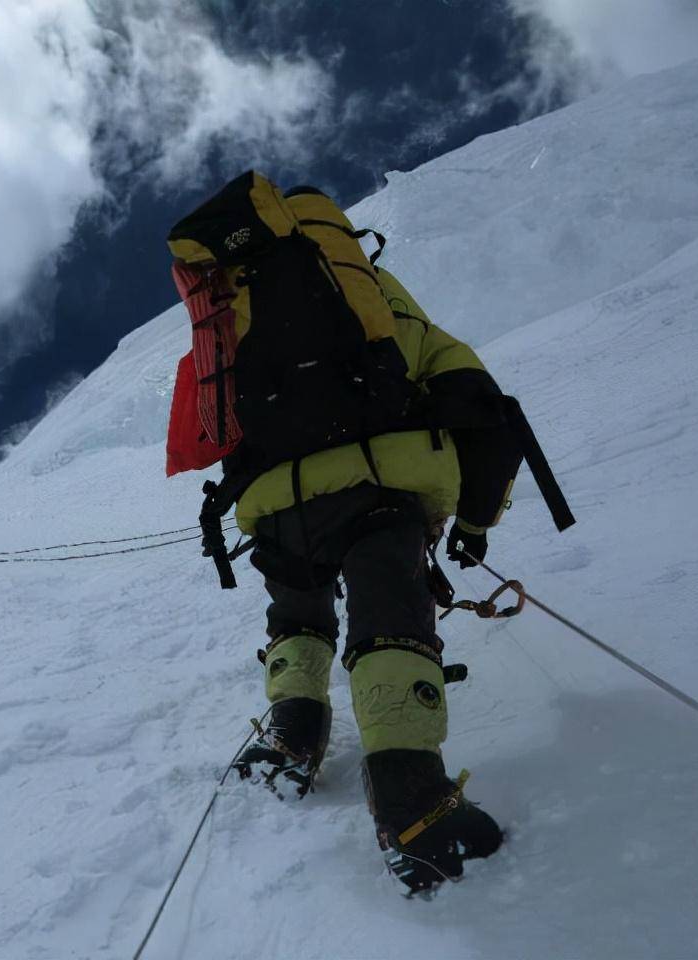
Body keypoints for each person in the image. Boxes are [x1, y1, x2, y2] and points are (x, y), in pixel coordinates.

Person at [164, 173, 570, 893]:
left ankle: (291, 736)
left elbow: (209, 424)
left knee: (298, 613)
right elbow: (478, 402)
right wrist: (472, 529)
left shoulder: (235, 308)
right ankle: (414, 807)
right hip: (380, 483)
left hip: (271, 501)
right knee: (389, 619)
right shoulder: (374, 297)